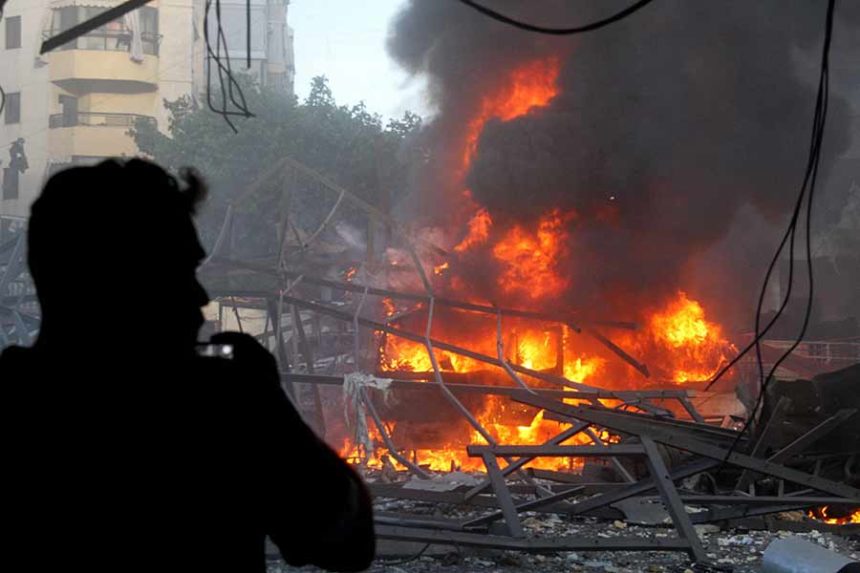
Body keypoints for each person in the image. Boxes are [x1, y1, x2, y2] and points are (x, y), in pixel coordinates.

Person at [0, 159, 375, 572]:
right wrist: (266, 407)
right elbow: (346, 544)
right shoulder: (213, 410)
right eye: (177, 272)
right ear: (119, 281)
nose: (198, 296)